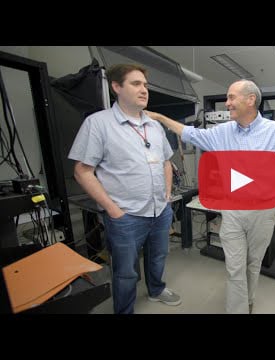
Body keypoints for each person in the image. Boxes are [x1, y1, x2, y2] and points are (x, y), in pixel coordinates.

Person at [145, 79, 275, 314]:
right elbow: (192, 134)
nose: (226, 103)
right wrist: (160, 118)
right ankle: (238, 309)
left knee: (252, 264)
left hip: (263, 213)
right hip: (233, 212)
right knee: (235, 267)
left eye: (231, 97)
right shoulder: (223, 132)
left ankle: (248, 300)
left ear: (251, 100)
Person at [68, 64, 181, 314]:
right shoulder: (98, 124)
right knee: (126, 271)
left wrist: (167, 194)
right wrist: (113, 210)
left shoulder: (154, 125)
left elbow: (165, 161)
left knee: (158, 257)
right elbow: (82, 171)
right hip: (126, 215)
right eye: (136, 84)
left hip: (159, 210)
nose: (144, 90)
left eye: (145, 85)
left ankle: (156, 289)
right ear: (116, 87)